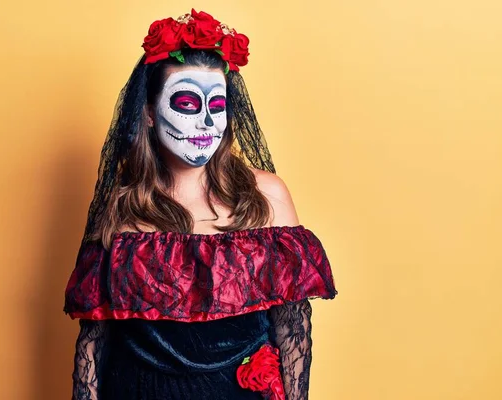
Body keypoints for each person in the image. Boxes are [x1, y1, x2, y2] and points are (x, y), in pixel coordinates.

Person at [63, 9, 338, 400]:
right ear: (148, 115)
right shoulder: (122, 206)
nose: (207, 122)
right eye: (189, 104)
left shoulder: (267, 196)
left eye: (217, 105)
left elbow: (292, 327)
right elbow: (94, 340)